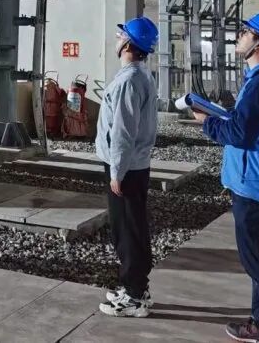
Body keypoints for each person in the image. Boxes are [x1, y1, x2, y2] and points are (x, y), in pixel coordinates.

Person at [195, 9, 259, 343]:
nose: (240, 36)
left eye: (246, 31)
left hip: (257, 188)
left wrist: (207, 122)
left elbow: (241, 134)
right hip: (257, 184)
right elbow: (247, 125)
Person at [96, 16, 160, 318]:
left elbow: (122, 132)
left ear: (129, 44)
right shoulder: (140, 75)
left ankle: (133, 297)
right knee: (133, 227)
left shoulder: (128, 81)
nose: (117, 38)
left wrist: (116, 172)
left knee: (127, 231)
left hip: (126, 168)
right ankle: (137, 288)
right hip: (135, 166)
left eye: (121, 35)